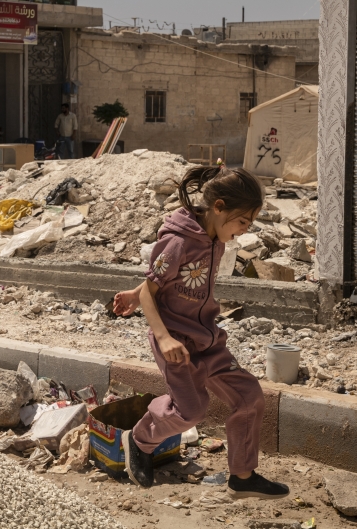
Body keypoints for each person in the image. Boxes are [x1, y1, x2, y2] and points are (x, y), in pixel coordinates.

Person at [112, 165, 289, 500]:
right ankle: (139, 439)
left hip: (207, 339)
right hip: (176, 343)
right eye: (242, 222)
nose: (243, 231)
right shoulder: (177, 241)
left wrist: (136, 294)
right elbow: (153, 289)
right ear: (219, 207)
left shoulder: (215, 240)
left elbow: (157, 282)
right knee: (190, 411)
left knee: (249, 396)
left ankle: (242, 475)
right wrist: (162, 335)